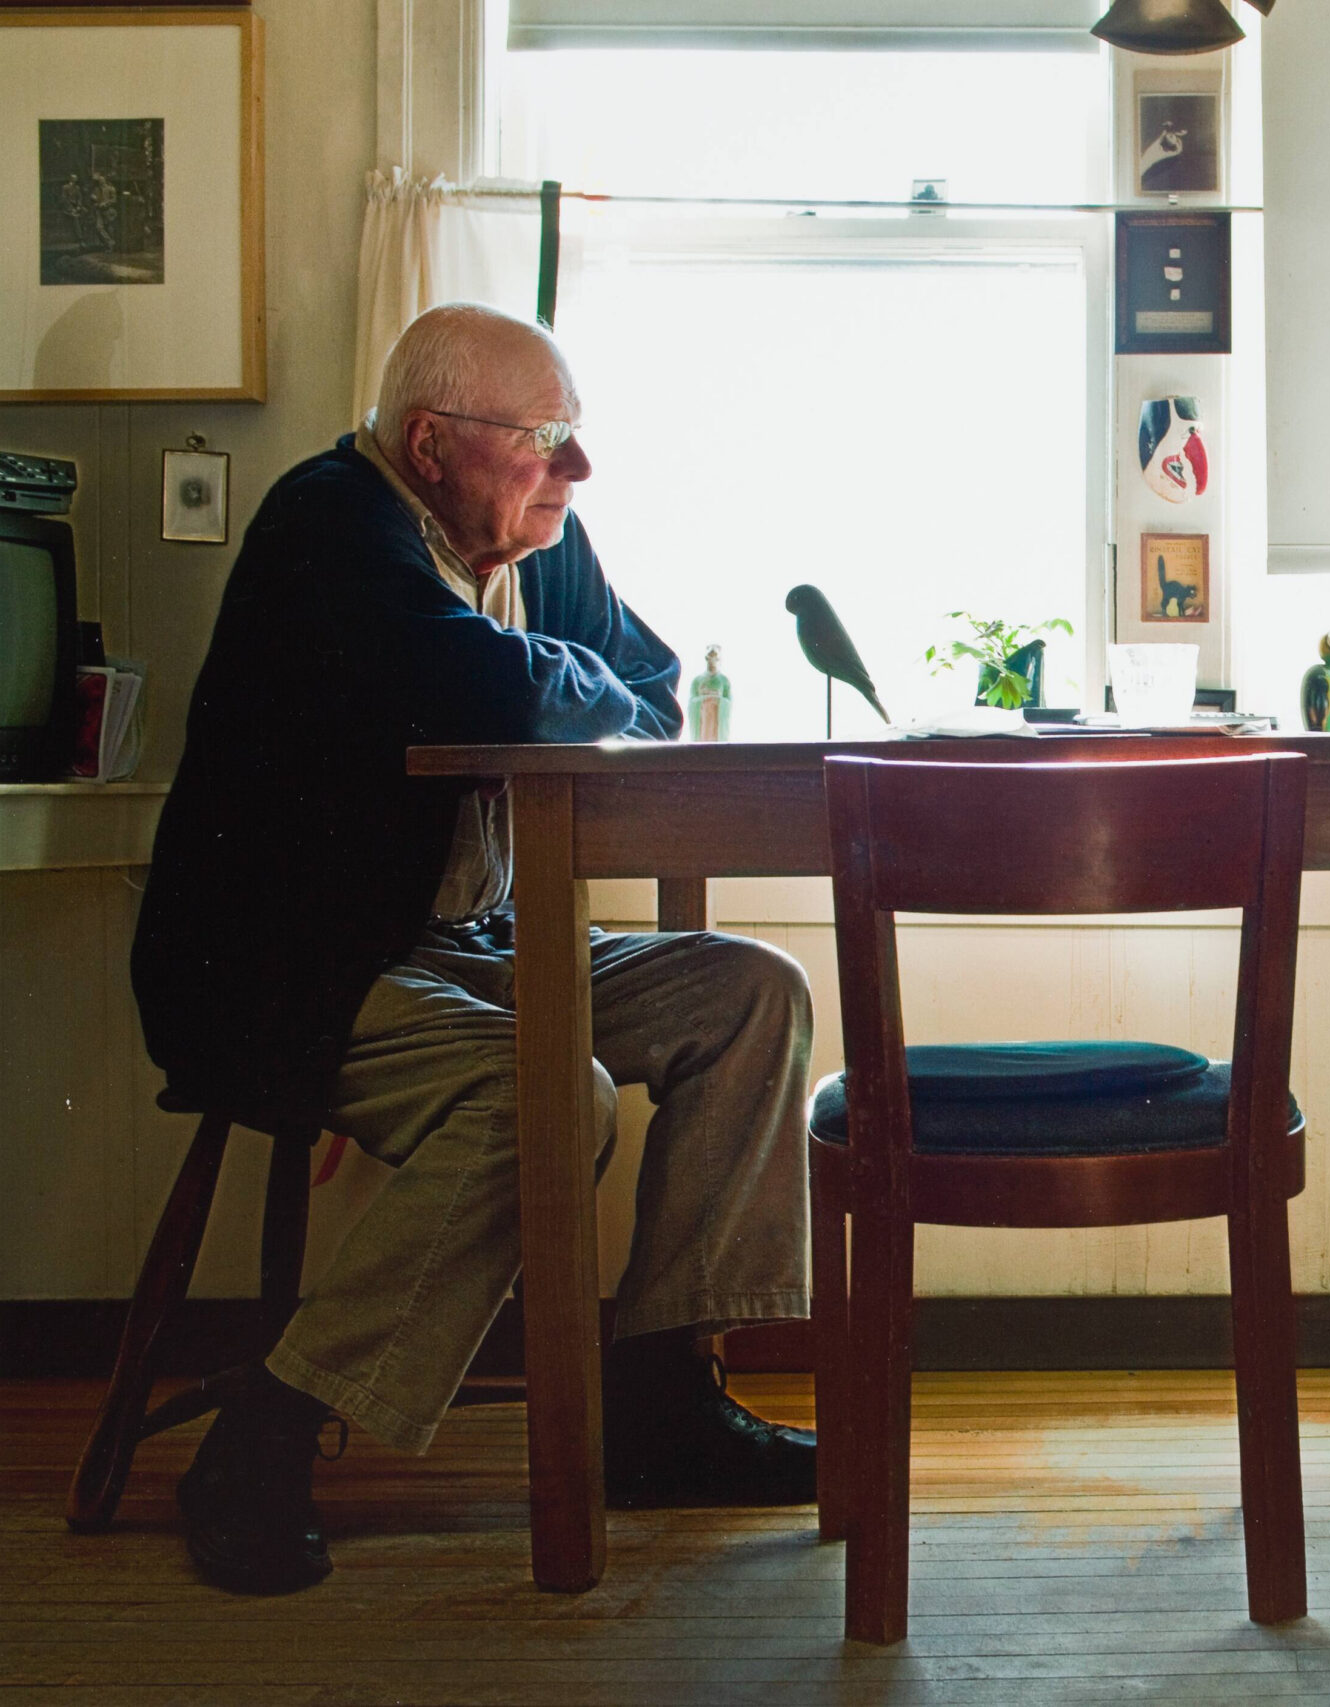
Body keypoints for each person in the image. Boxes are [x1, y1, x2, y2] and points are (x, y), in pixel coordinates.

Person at [131, 303, 819, 1596]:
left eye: (574, 438)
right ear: (432, 444)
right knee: (550, 1094)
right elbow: (500, 694)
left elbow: (649, 688)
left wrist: (545, 671)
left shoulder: (538, 542)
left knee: (750, 996)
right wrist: (543, 677)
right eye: (544, 440)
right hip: (306, 971)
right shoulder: (329, 525)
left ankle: (665, 1399)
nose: (577, 472)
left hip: (480, 941)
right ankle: (262, 1440)